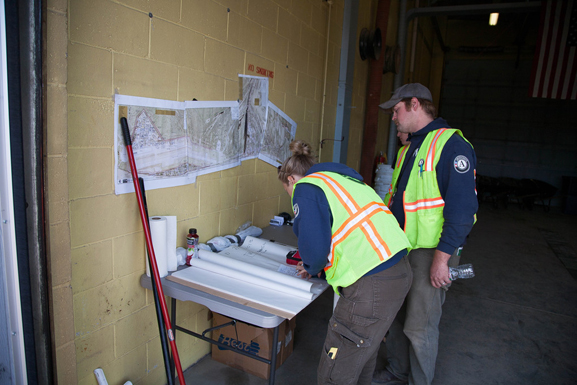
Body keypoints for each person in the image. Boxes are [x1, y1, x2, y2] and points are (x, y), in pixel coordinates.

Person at [277, 140, 413, 385]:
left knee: (335, 370)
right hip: (398, 272)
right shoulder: (345, 181)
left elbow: (315, 249)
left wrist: (311, 266)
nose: (290, 196)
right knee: (363, 355)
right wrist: (317, 271)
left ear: (291, 180)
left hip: (371, 286)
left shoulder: (306, 187)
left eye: (287, 190)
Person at [373, 83, 478, 385]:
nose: (393, 117)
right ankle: (396, 371)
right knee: (396, 318)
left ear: (414, 105)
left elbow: (462, 211)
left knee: (419, 327)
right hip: (402, 249)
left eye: (396, 110)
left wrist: (442, 260)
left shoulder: (452, 146)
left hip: (430, 253)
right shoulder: (411, 148)